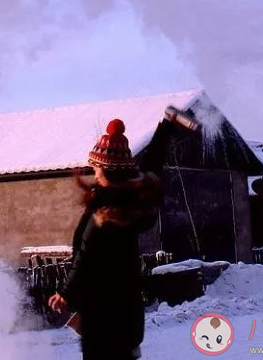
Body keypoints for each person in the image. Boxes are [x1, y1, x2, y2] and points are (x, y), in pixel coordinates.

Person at [48, 119, 162, 360]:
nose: (94, 172)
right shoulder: (134, 205)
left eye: (96, 167)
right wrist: (166, 130)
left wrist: (65, 294)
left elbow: (85, 256)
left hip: (101, 317)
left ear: (105, 169)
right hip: (128, 313)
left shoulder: (103, 213)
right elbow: (153, 167)